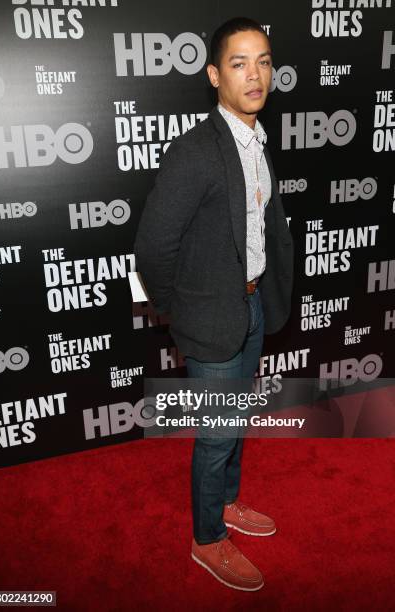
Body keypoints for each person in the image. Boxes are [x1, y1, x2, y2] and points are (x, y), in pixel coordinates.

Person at [134, 17, 294, 591]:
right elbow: (153, 248)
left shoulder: (254, 138)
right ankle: (207, 540)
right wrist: (187, 310)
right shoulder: (196, 150)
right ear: (213, 75)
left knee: (234, 423)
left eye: (264, 61)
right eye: (238, 63)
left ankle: (226, 505)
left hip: (251, 308)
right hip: (212, 318)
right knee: (218, 432)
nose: (255, 75)